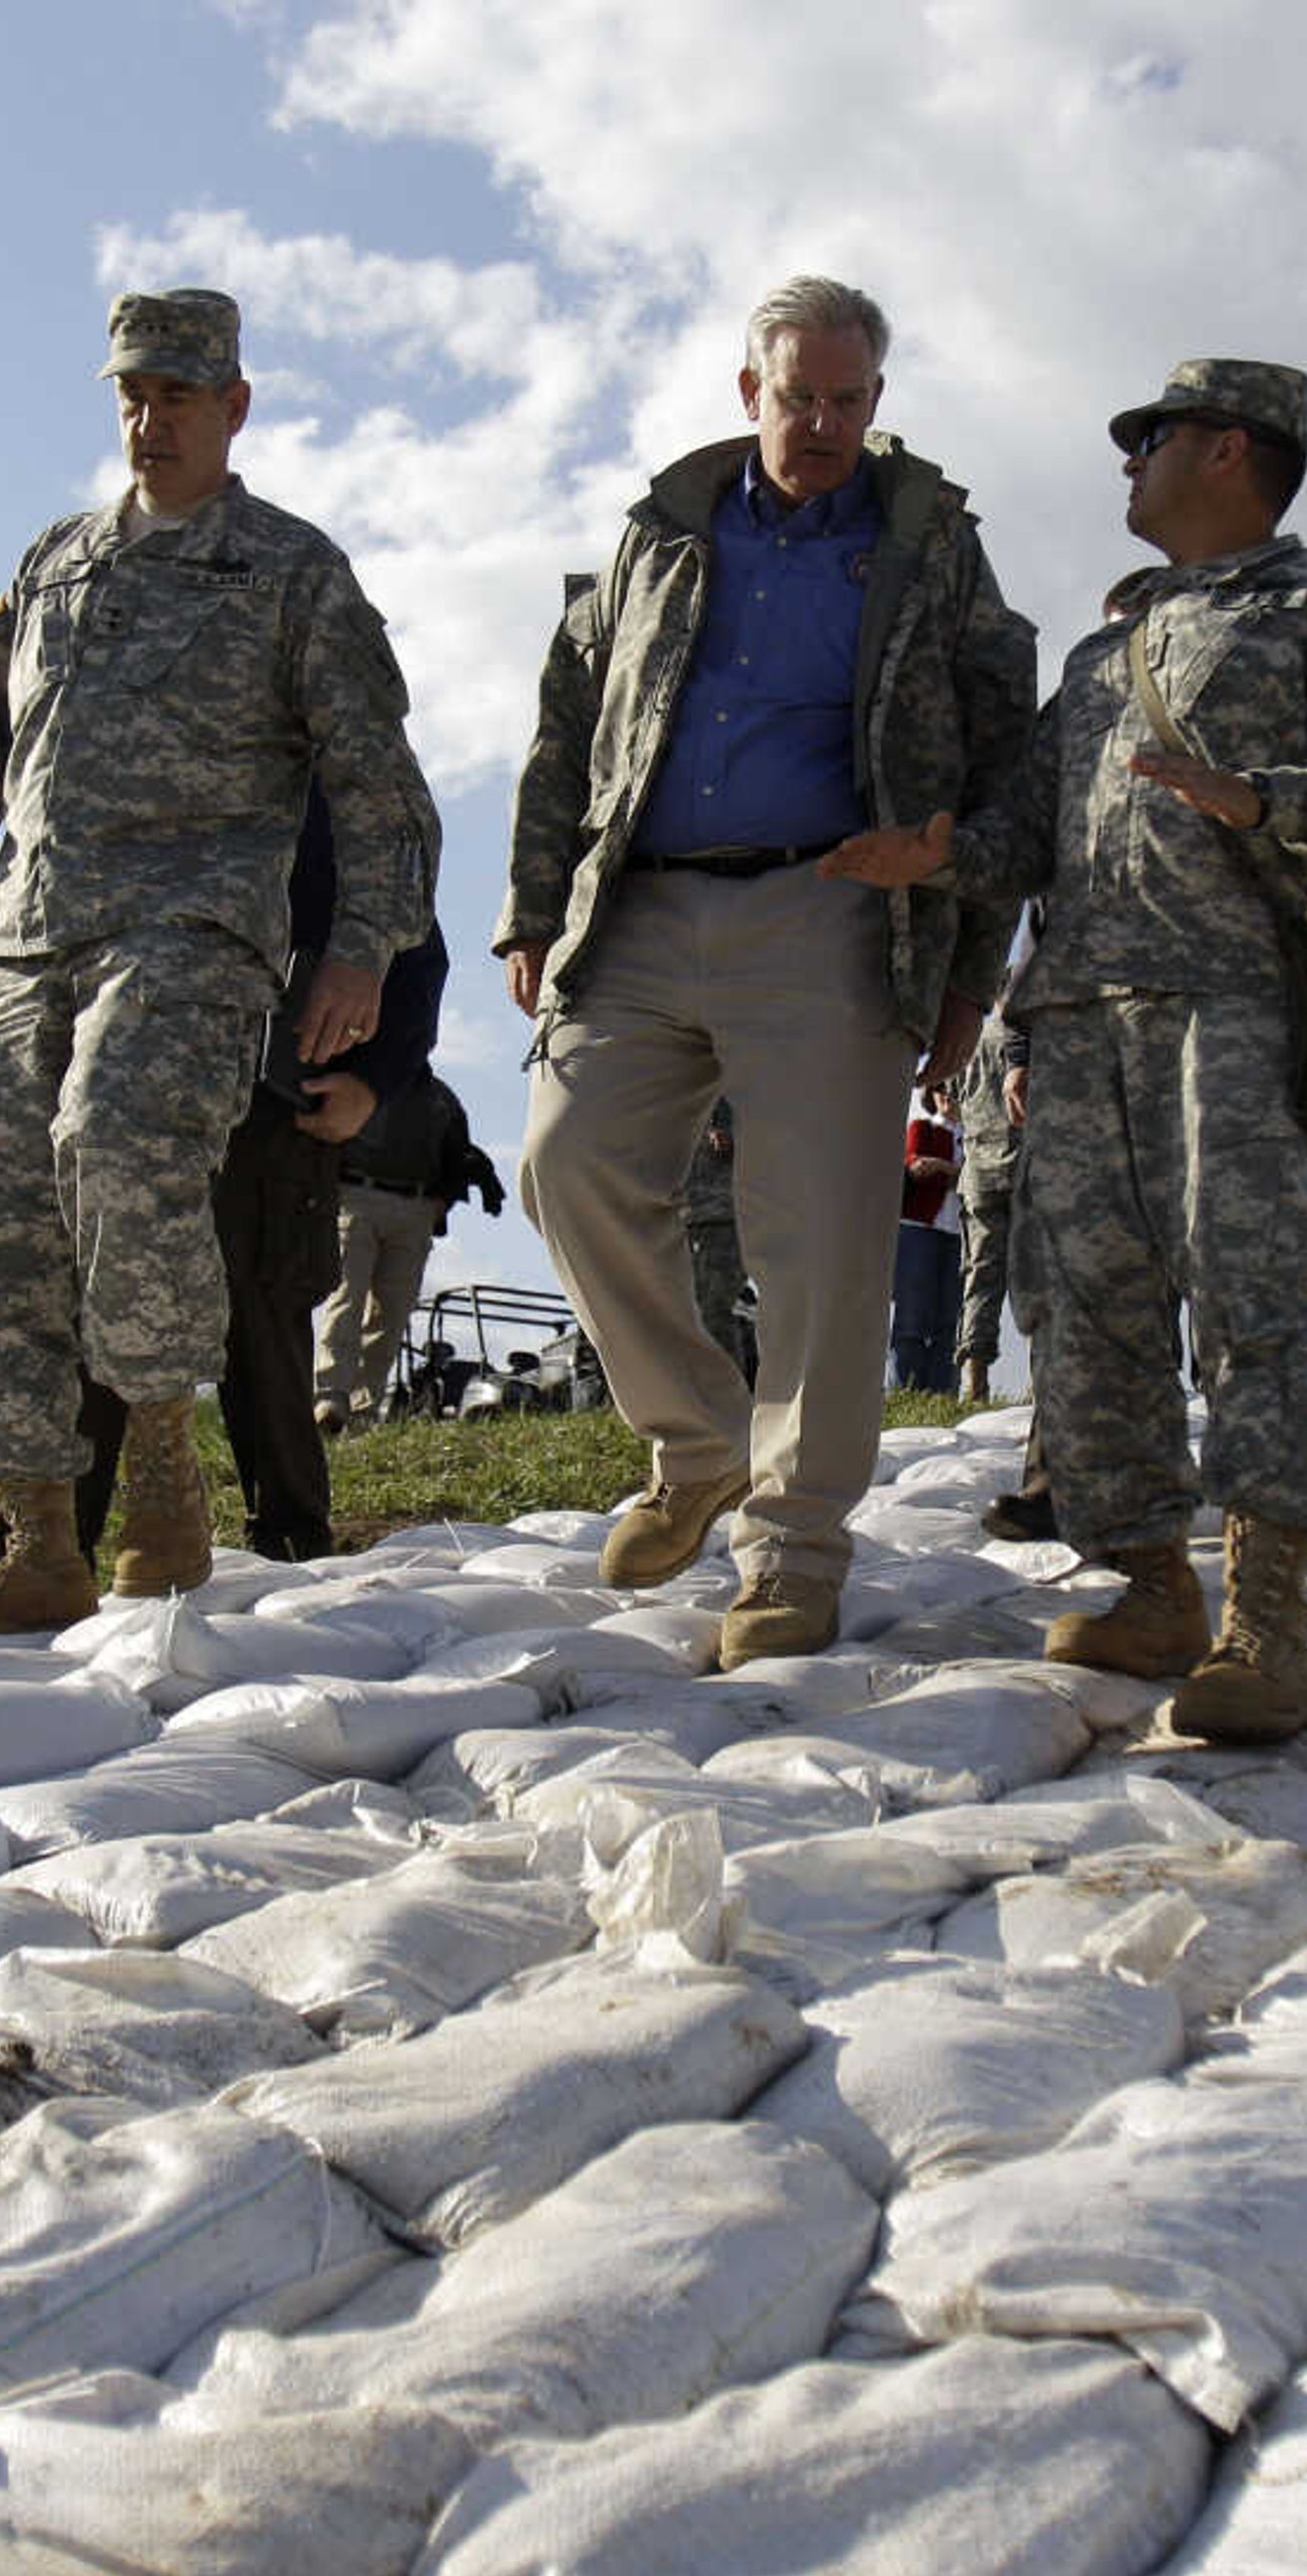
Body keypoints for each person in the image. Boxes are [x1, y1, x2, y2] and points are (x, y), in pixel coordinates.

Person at [825, 357, 1307, 1740]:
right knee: (1088, 1315)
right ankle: (1154, 1580)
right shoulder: (1104, 649)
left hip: (1232, 1002)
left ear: (1232, 450)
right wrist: (935, 852)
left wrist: (1260, 799)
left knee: (1252, 1304)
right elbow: (1032, 830)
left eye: (1152, 437)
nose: (1129, 461)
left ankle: (1268, 1618)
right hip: (1077, 1017)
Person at [0, 288, 440, 1634]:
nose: (151, 416)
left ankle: (167, 1472)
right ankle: (39, 1533)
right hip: (25, 937)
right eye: (132, 391)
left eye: (179, 393)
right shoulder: (56, 563)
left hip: (190, 929)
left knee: (114, 1135)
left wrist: (361, 950)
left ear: (234, 406)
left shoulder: (291, 573)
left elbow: (377, 782)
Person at [503, 274, 1034, 1668]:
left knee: (822, 1243)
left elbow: (1001, 766)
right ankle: (697, 1444)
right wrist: (526, 912)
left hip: (832, 907)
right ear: (750, 393)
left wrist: (969, 971)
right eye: (797, 397)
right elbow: (568, 718)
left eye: (848, 400)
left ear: (877, 399)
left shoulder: (932, 550)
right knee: (567, 1162)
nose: (821, 423)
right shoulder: (661, 533)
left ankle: (793, 1546)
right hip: (638, 909)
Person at [314, 951, 503, 1432]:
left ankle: (362, 1411)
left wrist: (440, 1202)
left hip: (413, 1209)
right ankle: (329, 1398)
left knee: (392, 1313)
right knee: (344, 1299)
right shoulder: (357, 1081)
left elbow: (462, 1157)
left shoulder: (441, 1100)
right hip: (354, 1200)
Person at [949, 1010, 1022, 1396]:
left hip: (978, 1171)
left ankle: (973, 1381)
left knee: (979, 1277)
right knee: (1037, 1278)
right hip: (1025, 1165)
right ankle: (1043, 1381)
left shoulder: (968, 1037)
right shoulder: (1025, 1036)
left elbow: (946, 1106)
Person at [889, 1087, 965, 1390]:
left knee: (950, 1320)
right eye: (940, 1090)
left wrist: (941, 1168)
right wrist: (954, 1173)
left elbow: (971, 1176)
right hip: (918, 1229)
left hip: (958, 1234)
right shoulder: (922, 1126)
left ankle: (942, 1394)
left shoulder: (972, 1136)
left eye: (954, 1089)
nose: (947, 1096)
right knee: (911, 1317)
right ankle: (905, 1390)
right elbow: (915, 1167)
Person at [680, 1100, 756, 1385]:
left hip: (725, 1214)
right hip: (684, 1217)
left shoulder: (735, 1084)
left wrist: (727, 1129)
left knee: (713, 1310)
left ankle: (726, 1396)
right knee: (689, 1313)